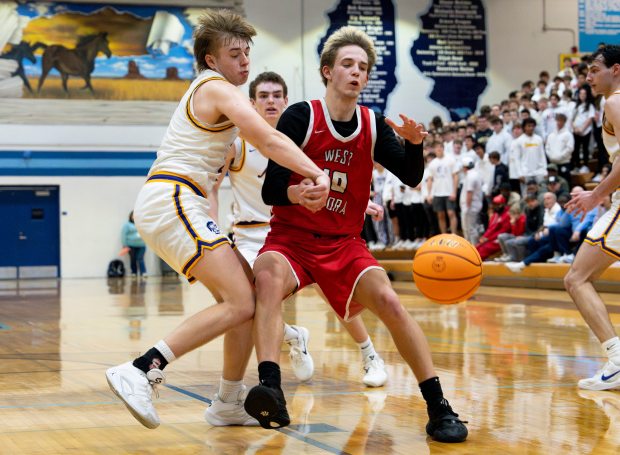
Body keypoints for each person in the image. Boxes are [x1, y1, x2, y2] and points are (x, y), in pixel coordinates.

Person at [105, 10, 331, 430]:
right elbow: (267, 137)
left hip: (177, 202)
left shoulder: (221, 92)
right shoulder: (215, 87)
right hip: (173, 197)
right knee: (243, 301)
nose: (245, 61)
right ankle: (140, 368)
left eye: (248, 53)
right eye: (234, 54)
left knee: (245, 300)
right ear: (211, 60)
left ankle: (227, 401)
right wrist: (316, 173)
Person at [244, 26, 468, 443]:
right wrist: (297, 193)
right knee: (268, 277)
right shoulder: (300, 116)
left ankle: (439, 408)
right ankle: (271, 387)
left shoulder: (372, 125)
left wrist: (416, 144)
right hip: (292, 238)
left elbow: (412, 176)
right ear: (327, 71)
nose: (356, 72)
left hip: (345, 244)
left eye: (363, 67)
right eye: (347, 64)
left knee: (388, 299)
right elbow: (271, 187)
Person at [208, 71, 388, 390]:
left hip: (303, 232)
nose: (271, 101)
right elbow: (211, 187)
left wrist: (359, 205)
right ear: (251, 103)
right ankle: (292, 337)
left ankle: (370, 354)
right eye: (263, 96)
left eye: (277, 95)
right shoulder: (238, 144)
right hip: (252, 238)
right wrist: (211, 229)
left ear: (286, 100)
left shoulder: (302, 137)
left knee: (336, 294)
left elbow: (334, 177)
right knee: (247, 308)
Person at [564, 44, 620, 391]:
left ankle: (616, 360)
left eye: (594, 70)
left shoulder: (615, 102)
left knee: (576, 278)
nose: (588, 77)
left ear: (616, 69)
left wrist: (595, 195)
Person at [121, 210, 146, 277]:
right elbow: (123, 235)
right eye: (133, 215)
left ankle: (143, 272)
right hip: (131, 245)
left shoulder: (141, 224)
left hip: (141, 245)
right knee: (133, 259)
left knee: (140, 258)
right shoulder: (127, 225)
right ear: (131, 216)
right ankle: (134, 272)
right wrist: (125, 245)